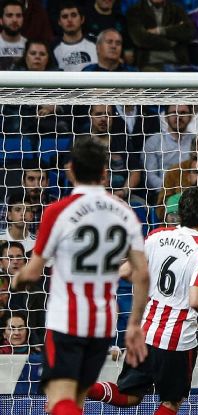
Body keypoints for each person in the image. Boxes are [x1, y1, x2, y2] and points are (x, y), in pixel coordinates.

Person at [10, 136, 150, 415]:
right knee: (76, 401)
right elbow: (142, 274)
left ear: (70, 169)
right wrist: (134, 325)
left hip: (66, 321)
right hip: (103, 324)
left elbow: (34, 272)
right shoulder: (124, 212)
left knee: (59, 400)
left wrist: (16, 279)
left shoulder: (58, 211)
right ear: (104, 172)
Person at [87, 187, 198, 415]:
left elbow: (126, 271)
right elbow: (195, 299)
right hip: (177, 340)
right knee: (171, 402)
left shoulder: (156, 235)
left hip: (146, 331)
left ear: (180, 213)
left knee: (130, 395)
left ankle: (82, 387)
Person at [126, 0, 196, 71]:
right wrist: (171, 42)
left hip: (179, 63)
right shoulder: (135, 11)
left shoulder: (177, 10)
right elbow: (140, 39)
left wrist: (160, 31)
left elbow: (189, 31)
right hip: (150, 64)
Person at [53, 1, 98, 71]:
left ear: (82, 19)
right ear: (59, 22)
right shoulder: (52, 48)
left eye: (74, 15)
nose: (69, 20)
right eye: (65, 17)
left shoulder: (97, 43)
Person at [0, 0, 26, 70]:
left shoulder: (29, 46)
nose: (14, 20)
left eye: (18, 15)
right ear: (1, 20)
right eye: (9, 15)